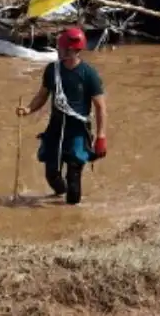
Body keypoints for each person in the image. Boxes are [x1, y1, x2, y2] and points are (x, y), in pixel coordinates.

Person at [16, 26, 109, 205]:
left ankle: (72, 212)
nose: (58, 50)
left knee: (74, 187)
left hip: (77, 132)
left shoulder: (89, 75)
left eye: (61, 48)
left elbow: (100, 107)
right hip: (55, 129)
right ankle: (59, 202)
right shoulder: (52, 70)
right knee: (52, 175)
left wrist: (101, 137)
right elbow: (42, 96)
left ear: (72, 51)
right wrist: (28, 109)